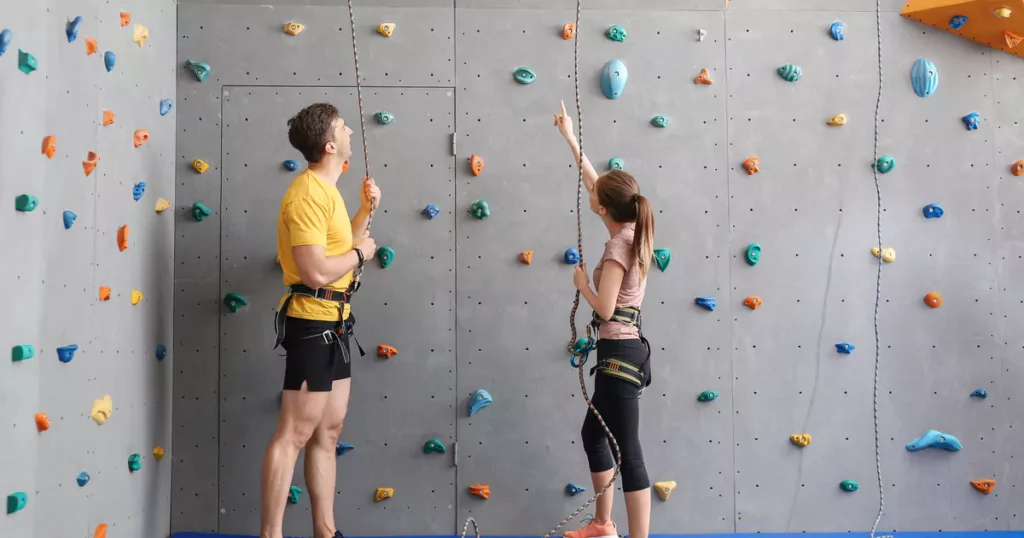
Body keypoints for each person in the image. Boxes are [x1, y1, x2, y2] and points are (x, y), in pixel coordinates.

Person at [261, 102, 381, 538]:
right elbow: (314, 270)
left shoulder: (328, 191)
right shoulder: (308, 194)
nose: (351, 129)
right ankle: (271, 535)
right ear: (331, 145)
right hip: (312, 324)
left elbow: (338, 245)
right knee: (294, 432)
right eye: (344, 127)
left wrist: (365, 211)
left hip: (336, 324)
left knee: (328, 431)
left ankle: (325, 532)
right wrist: (361, 254)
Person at [554, 101, 655, 538]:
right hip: (623, 353)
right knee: (596, 436)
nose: (591, 196)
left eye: (595, 201)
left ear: (602, 211)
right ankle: (601, 524)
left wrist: (581, 284)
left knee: (628, 452)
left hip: (619, 355)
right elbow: (597, 186)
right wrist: (571, 139)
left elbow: (606, 309)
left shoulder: (617, 248)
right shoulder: (630, 230)